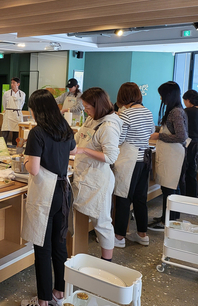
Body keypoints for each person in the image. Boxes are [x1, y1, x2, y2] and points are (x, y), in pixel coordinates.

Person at [19, 89, 76, 306]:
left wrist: (24, 160)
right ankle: (58, 295)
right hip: (63, 191)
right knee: (59, 246)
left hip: (45, 194)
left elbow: (33, 169)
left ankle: (42, 305)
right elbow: (72, 150)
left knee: (42, 248)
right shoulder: (64, 128)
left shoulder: (37, 132)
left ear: (36, 110)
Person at [72, 87, 122, 261]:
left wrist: (84, 150)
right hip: (84, 175)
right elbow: (78, 139)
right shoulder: (91, 119)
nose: (85, 111)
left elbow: (110, 156)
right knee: (84, 216)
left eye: (88, 107)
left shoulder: (109, 125)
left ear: (98, 105)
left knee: (102, 222)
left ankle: (106, 262)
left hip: (98, 180)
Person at [113, 83, 155, 248]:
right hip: (145, 158)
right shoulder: (147, 111)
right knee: (140, 198)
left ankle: (119, 237)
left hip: (130, 159)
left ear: (123, 97)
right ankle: (142, 234)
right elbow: (151, 131)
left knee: (123, 197)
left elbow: (119, 139)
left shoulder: (126, 114)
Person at [148, 82, 188, 231]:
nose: (160, 98)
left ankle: (168, 220)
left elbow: (181, 136)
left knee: (170, 188)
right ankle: (169, 218)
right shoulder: (175, 110)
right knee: (169, 188)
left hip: (173, 154)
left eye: (162, 95)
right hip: (169, 153)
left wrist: (160, 135)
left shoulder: (176, 112)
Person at [181, 89, 198, 198]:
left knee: (186, 171)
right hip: (196, 144)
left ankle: (184, 195)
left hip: (190, 144)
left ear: (188, 100)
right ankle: (193, 195)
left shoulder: (187, 112)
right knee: (193, 171)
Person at [1, 77, 26, 145]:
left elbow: (22, 104)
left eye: (14, 83)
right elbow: (4, 104)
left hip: (17, 114)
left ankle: (16, 148)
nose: (12, 84)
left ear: (18, 84)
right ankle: (3, 148)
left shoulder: (23, 94)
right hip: (8, 113)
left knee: (17, 133)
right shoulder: (6, 93)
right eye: (11, 83)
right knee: (5, 133)